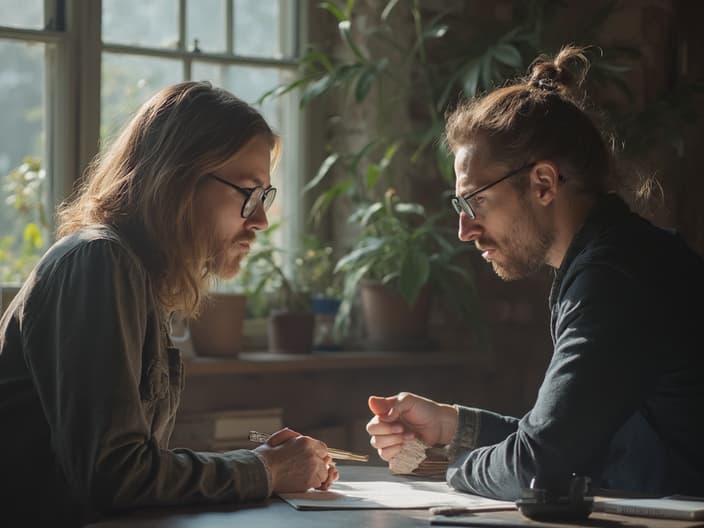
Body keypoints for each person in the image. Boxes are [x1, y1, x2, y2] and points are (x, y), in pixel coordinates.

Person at [366, 46, 704, 500]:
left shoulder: (614, 279)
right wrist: (452, 425)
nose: (464, 229)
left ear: (543, 183)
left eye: (475, 201)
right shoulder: (618, 258)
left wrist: (447, 464)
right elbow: (563, 440)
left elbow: (537, 464)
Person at [0, 81, 338, 525]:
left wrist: (259, 461)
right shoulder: (100, 261)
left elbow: (125, 468)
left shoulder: (133, 275)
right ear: (177, 179)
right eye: (248, 192)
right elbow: (115, 477)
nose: (259, 220)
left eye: (265, 197)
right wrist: (265, 468)